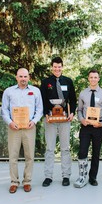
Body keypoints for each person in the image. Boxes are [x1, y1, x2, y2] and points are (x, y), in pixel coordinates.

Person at [1, 68, 43, 194]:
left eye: (25, 76)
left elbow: (39, 109)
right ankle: (14, 182)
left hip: (29, 127)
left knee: (29, 156)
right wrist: (10, 122)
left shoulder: (35, 91)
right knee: (13, 156)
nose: (23, 79)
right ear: (16, 77)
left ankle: (27, 181)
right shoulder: (8, 91)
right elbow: (4, 110)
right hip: (14, 128)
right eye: (21, 76)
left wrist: (34, 121)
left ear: (28, 77)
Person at [40, 57, 77, 187]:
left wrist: (72, 112)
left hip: (65, 118)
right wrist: (46, 114)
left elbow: (73, 100)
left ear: (62, 67)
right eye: (55, 67)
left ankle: (66, 176)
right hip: (50, 118)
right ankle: (48, 176)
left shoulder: (68, 81)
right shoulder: (45, 82)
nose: (57, 69)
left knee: (65, 148)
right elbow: (43, 100)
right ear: (52, 67)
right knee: (49, 148)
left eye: (59, 67)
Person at [74, 69, 102, 188]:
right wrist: (81, 119)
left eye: (95, 77)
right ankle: (82, 176)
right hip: (85, 126)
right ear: (88, 78)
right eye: (91, 77)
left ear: (98, 79)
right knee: (82, 152)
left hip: (98, 127)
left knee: (96, 153)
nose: (93, 79)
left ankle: (92, 177)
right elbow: (79, 110)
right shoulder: (83, 93)